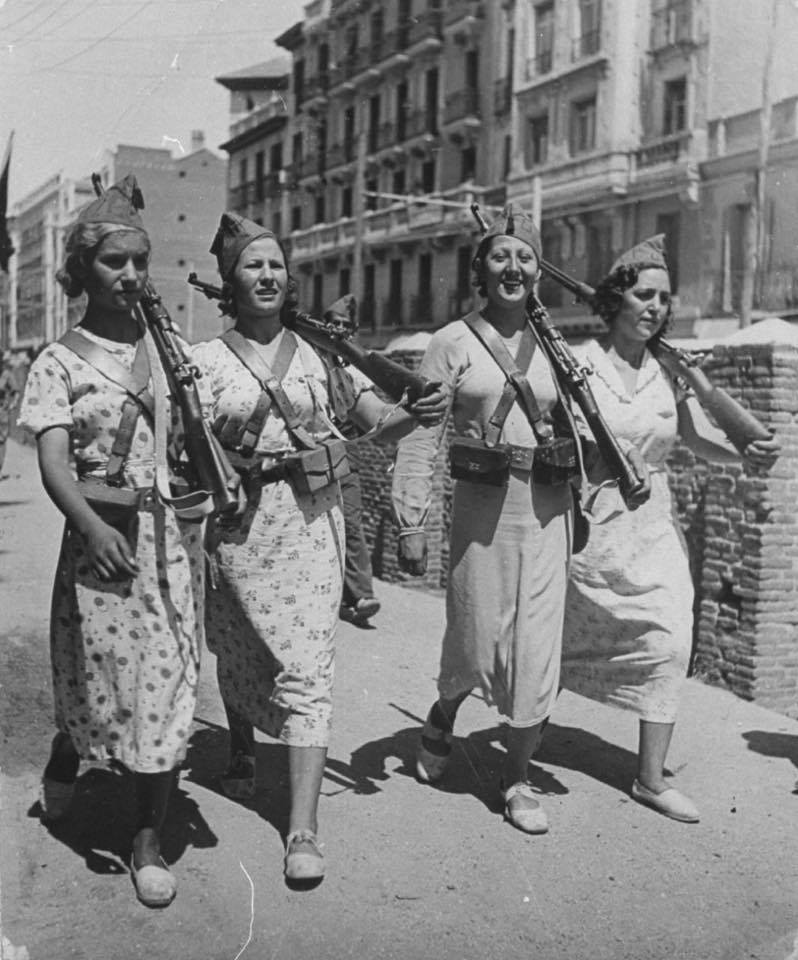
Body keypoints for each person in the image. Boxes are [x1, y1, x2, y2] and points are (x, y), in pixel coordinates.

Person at [192, 212, 446, 882]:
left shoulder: (322, 359)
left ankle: (302, 827)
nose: (268, 275)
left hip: (310, 525)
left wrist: (413, 416)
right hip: (239, 523)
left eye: (277, 264)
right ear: (231, 280)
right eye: (254, 264)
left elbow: (374, 426)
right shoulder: (202, 362)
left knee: (307, 669)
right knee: (240, 642)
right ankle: (243, 747)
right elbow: (185, 453)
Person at [18, 174, 207, 908]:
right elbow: (54, 462)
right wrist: (92, 528)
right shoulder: (59, 361)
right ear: (82, 271)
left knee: (167, 677)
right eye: (113, 263)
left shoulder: (167, 347)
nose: (129, 276)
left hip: (165, 545)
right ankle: (70, 750)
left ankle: (146, 838)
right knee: (94, 682)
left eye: (137, 262)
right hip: (101, 537)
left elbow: (197, 434)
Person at [559, 235, 780, 823]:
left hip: (652, 526)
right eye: (643, 294)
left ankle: (651, 778)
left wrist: (742, 457)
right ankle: (456, 714)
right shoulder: (577, 362)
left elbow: (697, 439)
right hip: (587, 523)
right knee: (541, 643)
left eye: (664, 298)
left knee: (670, 640)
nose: (655, 307)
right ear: (616, 300)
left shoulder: (669, 370)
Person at [391, 207, 592, 835]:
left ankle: (516, 776)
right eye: (501, 256)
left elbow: (581, 426)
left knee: (536, 644)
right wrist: (411, 521)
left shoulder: (558, 345)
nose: (514, 267)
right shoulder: (451, 341)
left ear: (539, 272)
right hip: (483, 508)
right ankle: (445, 710)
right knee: (475, 639)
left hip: (547, 509)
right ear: (481, 269)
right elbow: (422, 435)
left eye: (526, 258)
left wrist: (585, 496)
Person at [338, 431, 380, 626]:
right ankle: (343, 597)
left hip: (345, 460)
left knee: (351, 525)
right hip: (307, 461)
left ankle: (362, 595)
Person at [0, 349, 20, 478]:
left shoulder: (6, 374)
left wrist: (13, 404)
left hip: (1, 412)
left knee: (0, 441)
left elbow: (16, 391)